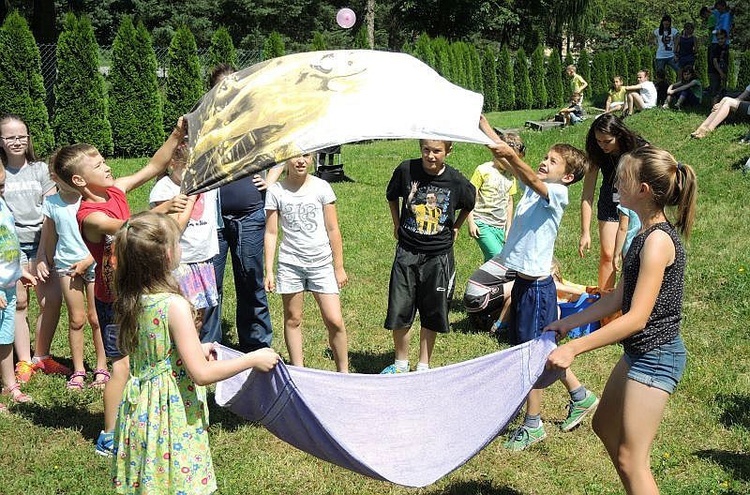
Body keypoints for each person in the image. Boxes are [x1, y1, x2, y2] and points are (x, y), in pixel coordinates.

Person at [546, 146, 696, 495]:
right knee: (603, 425)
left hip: (657, 358)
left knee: (631, 459)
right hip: (640, 354)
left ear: (644, 190)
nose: (615, 182)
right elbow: (616, 298)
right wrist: (567, 324)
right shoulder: (641, 236)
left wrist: (575, 349)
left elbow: (636, 319)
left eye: (623, 178)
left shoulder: (658, 242)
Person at [110, 211, 280, 494]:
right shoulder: (173, 305)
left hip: (142, 409)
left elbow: (156, 352)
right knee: (179, 482)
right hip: (170, 411)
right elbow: (201, 374)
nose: (182, 248)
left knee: (153, 481)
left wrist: (198, 347)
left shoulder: (133, 297)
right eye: (179, 243)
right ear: (166, 256)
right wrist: (252, 359)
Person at [52, 119, 189, 456]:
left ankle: (140, 420)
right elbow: (129, 227)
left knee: (144, 361)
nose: (108, 165)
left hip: (136, 294)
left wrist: (177, 134)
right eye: (98, 164)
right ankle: (109, 436)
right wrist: (162, 209)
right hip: (113, 300)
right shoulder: (89, 215)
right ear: (81, 180)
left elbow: (154, 166)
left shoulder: (114, 191)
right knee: (122, 366)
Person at [479, 119, 598, 451]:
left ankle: (533, 425)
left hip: (538, 290)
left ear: (568, 177)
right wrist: (485, 126)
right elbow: (511, 163)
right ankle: (580, 395)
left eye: (553, 161)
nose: (544, 162)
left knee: (531, 357)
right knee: (540, 351)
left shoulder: (556, 194)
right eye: (544, 157)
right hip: (524, 286)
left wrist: (515, 159)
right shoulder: (535, 185)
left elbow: (526, 172)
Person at [201, 63, 283, 351]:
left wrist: (271, 181)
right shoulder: (206, 125)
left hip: (250, 215)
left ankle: (257, 345)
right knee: (211, 286)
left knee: (251, 280)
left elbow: (283, 149)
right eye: (222, 89)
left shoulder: (256, 121)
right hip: (213, 220)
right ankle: (209, 346)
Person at [381, 139, 475, 374]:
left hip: (438, 256)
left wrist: (456, 227)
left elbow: (469, 202)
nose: (430, 156)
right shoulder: (406, 170)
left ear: (448, 151)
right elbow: (392, 196)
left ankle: (424, 365)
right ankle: (401, 363)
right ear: (420, 148)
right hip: (407, 251)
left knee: (433, 310)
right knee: (400, 306)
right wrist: (396, 224)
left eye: (437, 151)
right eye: (426, 150)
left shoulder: (455, 180)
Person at [263, 154, 349, 372]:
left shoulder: (322, 187)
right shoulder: (276, 191)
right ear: (285, 160)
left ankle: (344, 372)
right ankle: (299, 372)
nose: (300, 161)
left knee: (335, 320)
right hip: (291, 263)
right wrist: (269, 270)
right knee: (293, 318)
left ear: (313, 158)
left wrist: (338, 267)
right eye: (295, 157)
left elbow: (333, 229)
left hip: (321, 263)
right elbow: (271, 233)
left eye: (306, 156)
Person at [0, 114, 65, 383]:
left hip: (42, 243)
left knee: (51, 300)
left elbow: (51, 210)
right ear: (1, 141)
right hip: (12, 248)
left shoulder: (39, 170)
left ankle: (42, 355)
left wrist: (43, 253)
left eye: (21, 136)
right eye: (10, 137)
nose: (17, 141)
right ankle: (24, 361)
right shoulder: (1, 171)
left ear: (28, 139)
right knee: (20, 304)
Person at [36, 167, 108, 390]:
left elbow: (105, 235)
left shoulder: (91, 199)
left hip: (93, 262)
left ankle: (102, 367)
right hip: (66, 266)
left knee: (96, 318)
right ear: (54, 178)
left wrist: (88, 259)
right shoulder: (52, 203)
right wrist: (42, 259)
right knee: (76, 319)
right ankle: (78, 370)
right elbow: (49, 237)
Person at [149, 142, 219, 337]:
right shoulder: (165, 189)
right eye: (188, 169)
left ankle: (192, 358)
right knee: (183, 316)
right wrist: (191, 196)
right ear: (172, 164)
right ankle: (179, 358)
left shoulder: (206, 182)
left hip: (203, 259)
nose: (194, 175)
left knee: (199, 317)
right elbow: (176, 228)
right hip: (180, 262)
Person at [581, 113, 648, 291]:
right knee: (608, 253)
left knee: (631, 254)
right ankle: (605, 303)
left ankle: (629, 298)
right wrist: (585, 232)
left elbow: (661, 167)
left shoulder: (637, 146)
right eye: (598, 141)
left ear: (618, 134)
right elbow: (587, 194)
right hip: (609, 199)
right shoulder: (596, 152)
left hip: (634, 202)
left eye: (607, 141)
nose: (602, 145)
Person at [0, 165, 37, 408]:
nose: (1, 189)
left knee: (5, 337)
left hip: (9, 285)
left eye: (2, 184)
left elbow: (7, 242)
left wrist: (19, 270)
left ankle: (9, 383)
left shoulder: (3, 204)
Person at [466, 130, 522, 262]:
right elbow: (469, 196)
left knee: (492, 261)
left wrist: (508, 228)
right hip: (481, 223)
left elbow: (509, 202)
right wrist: (471, 222)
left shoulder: (511, 176)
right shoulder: (483, 170)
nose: (507, 162)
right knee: (497, 257)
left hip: (500, 226)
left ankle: (486, 282)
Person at [613, 205, 641, 276]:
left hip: (629, 249)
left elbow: (623, 229)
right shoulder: (649, 202)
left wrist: (617, 254)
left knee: (627, 279)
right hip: (646, 247)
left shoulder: (626, 203)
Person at [708, 29, 729, 104]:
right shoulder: (715, 48)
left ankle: (720, 107)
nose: (720, 40)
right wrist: (721, 73)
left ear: (726, 38)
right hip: (714, 72)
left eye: (722, 38)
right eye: (718, 39)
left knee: (722, 91)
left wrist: (724, 72)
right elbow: (715, 62)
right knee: (714, 90)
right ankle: (713, 109)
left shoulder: (726, 47)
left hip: (722, 71)